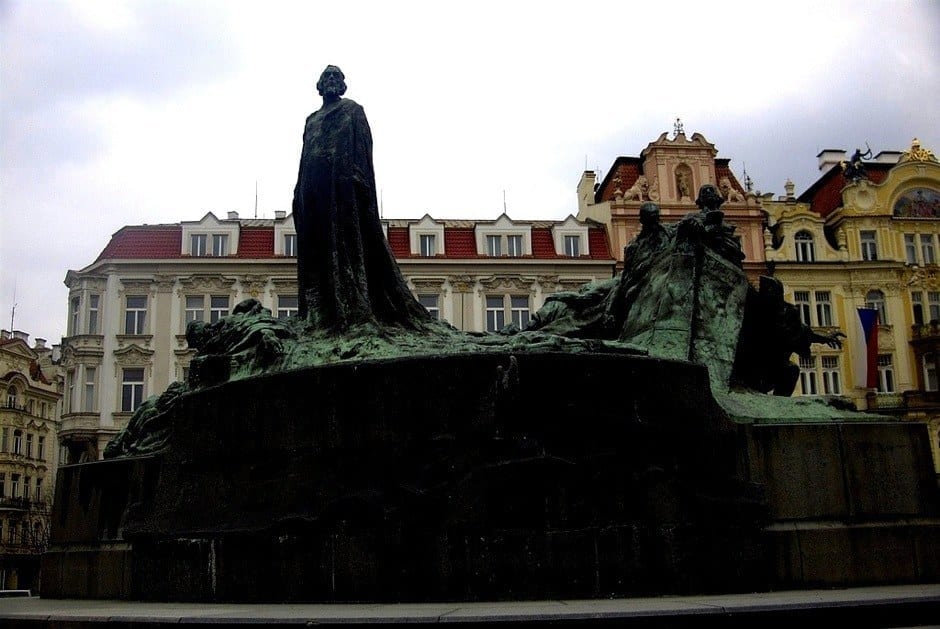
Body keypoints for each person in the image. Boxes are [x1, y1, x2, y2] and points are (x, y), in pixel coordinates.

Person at [291, 65, 430, 330]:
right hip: (312, 190)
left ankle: (350, 311)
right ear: (319, 85)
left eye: (336, 76)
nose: (332, 79)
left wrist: (359, 180)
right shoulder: (311, 120)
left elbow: (364, 148)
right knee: (315, 252)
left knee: (345, 247)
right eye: (327, 76)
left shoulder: (352, 111)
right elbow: (305, 157)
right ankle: (318, 315)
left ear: (343, 84)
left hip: (342, 189)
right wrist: (298, 190)